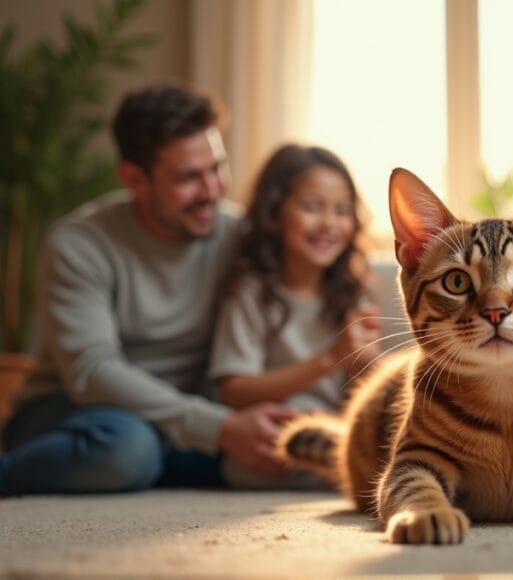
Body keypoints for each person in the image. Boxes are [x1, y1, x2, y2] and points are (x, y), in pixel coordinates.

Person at [0, 84, 295, 495]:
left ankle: (158, 461)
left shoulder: (237, 234)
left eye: (217, 167)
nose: (212, 190)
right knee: (128, 451)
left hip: (185, 409)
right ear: (134, 179)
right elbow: (92, 373)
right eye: (189, 177)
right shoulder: (78, 244)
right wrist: (220, 428)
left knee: (279, 447)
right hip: (76, 409)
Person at [211, 144, 381, 488]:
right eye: (312, 207)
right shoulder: (252, 293)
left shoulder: (352, 293)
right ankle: (337, 465)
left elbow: (360, 391)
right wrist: (330, 358)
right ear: (274, 213)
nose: (329, 223)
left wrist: (364, 364)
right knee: (280, 441)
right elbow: (234, 390)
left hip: (334, 424)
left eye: (342, 210)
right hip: (275, 432)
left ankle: (341, 461)